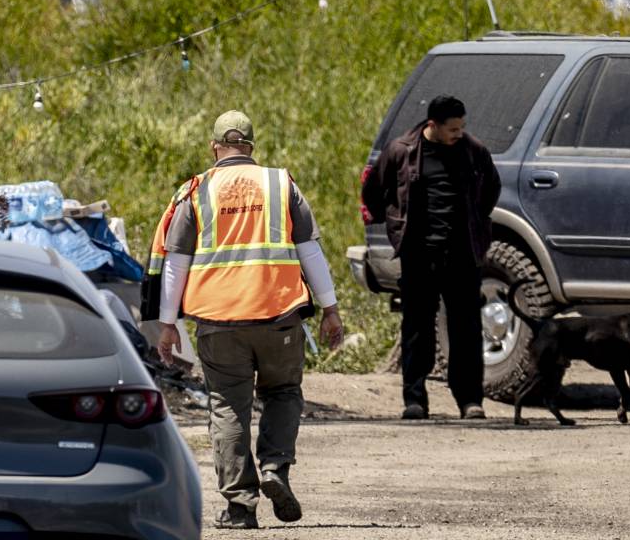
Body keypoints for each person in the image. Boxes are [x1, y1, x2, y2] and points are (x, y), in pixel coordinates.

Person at [153, 110, 345, 530]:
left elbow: (176, 263)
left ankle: (240, 507)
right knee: (283, 391)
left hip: (218, 320)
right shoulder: (280, 184)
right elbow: (309, 251)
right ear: (252, 147)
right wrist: (330, 310)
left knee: (227, 405)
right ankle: (275, 467)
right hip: (279, 316)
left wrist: (167, 324)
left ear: (214, 147)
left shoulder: (196, 191)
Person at [360, 95, 501, 421]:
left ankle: (469, 400)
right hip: (418, 255)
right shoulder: (401, 150)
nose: (459, 133)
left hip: (462, 255)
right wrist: (393, 221)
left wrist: (477, 221)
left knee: (466, 329)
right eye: (453, 128)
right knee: (417, 329)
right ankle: (415, 399)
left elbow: (491, 187)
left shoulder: (473, 151)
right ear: (432, 125)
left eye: (462, 127)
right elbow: (372, 190)